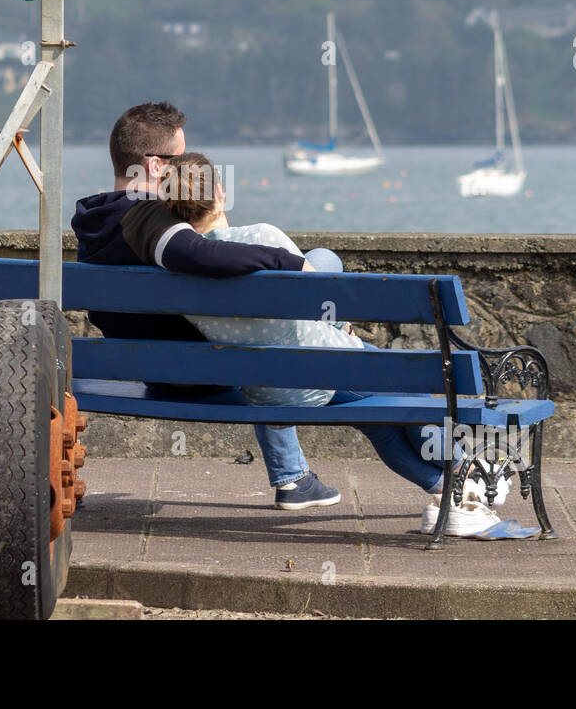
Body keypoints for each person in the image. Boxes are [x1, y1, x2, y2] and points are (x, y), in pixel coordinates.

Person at [156, 151, 510, 535]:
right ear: (219, 193)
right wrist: (343, 328)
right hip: (324, 368)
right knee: (409, 393)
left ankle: (450, 488)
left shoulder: (174, 270)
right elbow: (317, 297)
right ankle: (467, 469)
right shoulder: (262, 238)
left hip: (267, 393)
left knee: (380, 423)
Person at [70, 102, 341, 509]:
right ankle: (292, 475)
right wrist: (290, 261)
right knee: (321, 262)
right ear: (157, 166)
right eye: (181, 161)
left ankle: (294, 476)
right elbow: (199, 255)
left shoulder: (97, 220)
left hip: (147, 365)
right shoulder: (146, 219)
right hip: (203, 368)